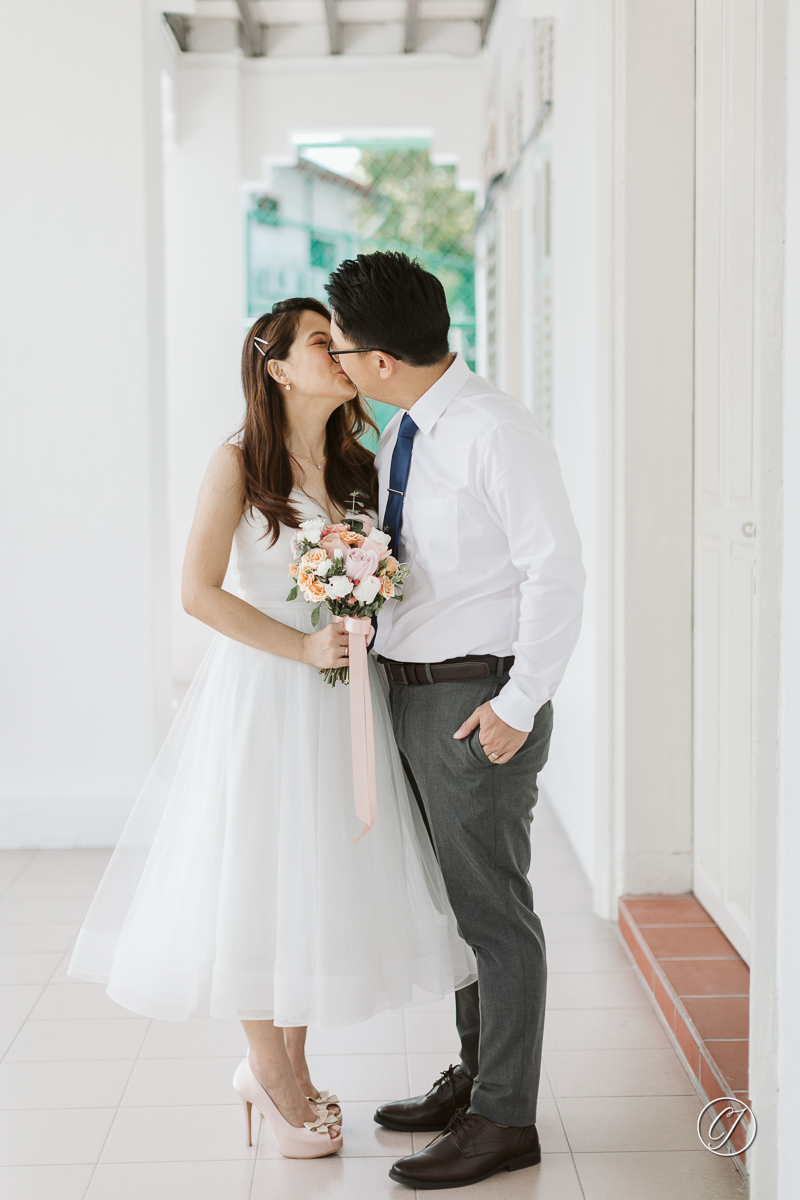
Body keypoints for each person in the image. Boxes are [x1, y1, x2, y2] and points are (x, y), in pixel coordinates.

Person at [68, 297, 476, 1161]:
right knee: (259, 873)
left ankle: (289, 1062)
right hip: (265, 693)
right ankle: (265, 1063)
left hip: (340, 699)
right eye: (322, 343)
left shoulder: (359, 464)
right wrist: (298, 643)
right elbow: (199, 591)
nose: (342, 353)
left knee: (312, 876)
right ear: (276, 366)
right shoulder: (237, 463)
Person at [325, 252, 585, 1190]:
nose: (340, 365)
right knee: (454, 904)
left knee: (493, 912)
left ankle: (505, 1117)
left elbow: (557, 573)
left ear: (382, 359)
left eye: (344, 350)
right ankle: (476, 1079)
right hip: (408, 689)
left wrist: (518, 705)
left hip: (477, 702)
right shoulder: (405, 435)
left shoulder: (492, 431)